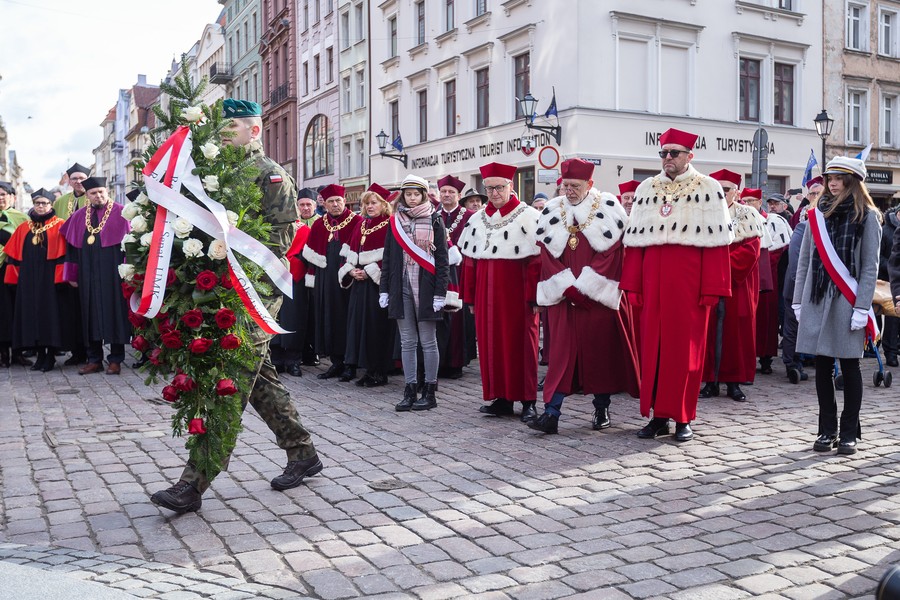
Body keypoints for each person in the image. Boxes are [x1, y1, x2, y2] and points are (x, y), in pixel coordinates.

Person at [151, 99, 322, 514]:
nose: (223, 138)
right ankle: (303, 453)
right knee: (258, 379)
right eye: (220, 132)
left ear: (254, 131)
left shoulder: (272, 175)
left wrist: (230, 244)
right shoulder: (217, 174)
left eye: (231, 131)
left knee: (228, 384)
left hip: (254, 293)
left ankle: (193, 484)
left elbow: (284, 239)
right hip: (224, 290)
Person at [620, 128, 732, 442]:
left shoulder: (709, 188)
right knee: (653, 352)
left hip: (690, 287)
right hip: (652, 285)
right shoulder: (646, 188)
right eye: (664, 153)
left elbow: (717, 245)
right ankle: (658, 416)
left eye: (674, 153)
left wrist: (713, 288)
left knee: (685, 354)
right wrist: (633, 286)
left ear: (689, 156)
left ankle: (683, 417)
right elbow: (635, 245)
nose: (668, 159)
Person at [528, 158, 639, 434]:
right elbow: (547, 254)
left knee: (599, 355)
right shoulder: (552, 210)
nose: (569, 191)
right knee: (561, 356)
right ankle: (551, 413)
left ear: (589, 184)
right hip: (564, 298)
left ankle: (601, 409)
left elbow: (612, 255)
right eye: (565, 185)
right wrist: (566, 287)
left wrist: (587, 287)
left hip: (597, 300)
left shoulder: (610, 209)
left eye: (575, 186)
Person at [793, 156, 881, 456]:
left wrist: (862, 307)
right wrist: (797, 300)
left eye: (839, 177)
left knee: (850, 366)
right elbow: (804, 261)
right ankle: (826, 429)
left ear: (852, 182)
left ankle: (848, 432)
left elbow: (870, 266)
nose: (832, 181)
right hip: (818, 296)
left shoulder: (867, 216)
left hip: (848, 299)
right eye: (830, 176)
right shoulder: (817, 214)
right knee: (821, 366)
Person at [459, 162, 541, 422]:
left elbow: (537, 262)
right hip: (486, 294)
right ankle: (502, 398)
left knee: (522, 345)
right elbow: (470, 261)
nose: (494, 193)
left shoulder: (528, 216)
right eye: (490, 188)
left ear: (511, 186)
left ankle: (528, 400)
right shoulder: (477, 219)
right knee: (491, 345)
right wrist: (470, 298)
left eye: (499, 188)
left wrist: (534, 297)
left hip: (517, 295)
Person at [380, 175, 449, 411]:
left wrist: (441, 292)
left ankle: (429, 391)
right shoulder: (394, 221)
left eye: (416, 194)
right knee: (407, 342)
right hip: (402, 287)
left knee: (428, 342)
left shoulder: (435, 220)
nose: (411, 198)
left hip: (427, 288)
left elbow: (442, 260)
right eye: (408, 194)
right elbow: (388, 258)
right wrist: (384, 289)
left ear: (423, 195)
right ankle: (409, 389)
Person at [698, 175, 764, 402]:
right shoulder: (702, 214)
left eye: (727, 189)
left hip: (738, 286)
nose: (722, 192)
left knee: (736, 333)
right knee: (708, 332)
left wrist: (720, 267)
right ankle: (711, 381)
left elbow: (751, 251)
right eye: (719, 188)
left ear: (736, 192)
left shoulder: (748, 215)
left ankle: (734, 382)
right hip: (709, 282)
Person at [59, 177, 131, 375]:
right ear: (87, 196)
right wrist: (71, 275)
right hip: (87, 273)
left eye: (101, 192)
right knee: (89, 315)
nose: (98, 196)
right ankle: (94, 359)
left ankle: (115, 359)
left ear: (107, 191)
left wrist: (127, 271)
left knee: (114, 313)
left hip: (113, 274)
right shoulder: (78, 216)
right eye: (93, 193)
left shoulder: (122, 212)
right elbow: (71, 248)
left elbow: (130, 247)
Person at [4, 189, 68, 372]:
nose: (41, 206)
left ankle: (50, 356)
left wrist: (61, 280)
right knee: (33, 316)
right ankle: (40, 354)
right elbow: (14, 258)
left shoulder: (60, 225)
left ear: (51, 205)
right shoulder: (24, 227)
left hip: (50, 281)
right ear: (33, 205)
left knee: (50, 316)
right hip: (29, 279)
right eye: (38, 203)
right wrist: (13, 281)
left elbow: (64, 255)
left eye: (44, 203)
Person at [303, 183, 362, 381]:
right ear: (324, 204)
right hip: (325, 280)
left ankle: (350, 364)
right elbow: (311, 255)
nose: (335, 204)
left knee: (347, 319)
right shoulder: (320, 224)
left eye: (338, 201)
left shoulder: (357, 221)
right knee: (328, 319)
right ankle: (336, 363)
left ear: (344, 201)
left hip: (347, 280)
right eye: (331, 202)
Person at [341, 183, 395, 388]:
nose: (370, 206)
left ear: (383, 204)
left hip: (377, 285)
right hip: (359, 285)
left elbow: (392, 257)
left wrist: (371, 270)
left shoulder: (390, 224)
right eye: (367, 203)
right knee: (359, 326)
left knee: (376, 327)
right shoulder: (361, 224)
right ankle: (366, 368)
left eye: (374, 203)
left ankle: (378, 371)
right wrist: (351, 270)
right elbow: (350, 253)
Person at [271, 189, 320, 376]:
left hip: (296, 279)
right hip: (275, 276)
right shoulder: (274, 228)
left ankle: (293, 360)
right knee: (276, 316)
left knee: (295, 319)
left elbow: (310, 254)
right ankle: (276, 358)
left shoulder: (306, 230)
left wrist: (295, 263)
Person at [54, 163, 92, 367]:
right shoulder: (60, 201)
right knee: (70, 305)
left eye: (82, 178)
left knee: (88, 304)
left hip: (89, 255)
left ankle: (91, 350)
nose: (78, 182)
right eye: (74, 178)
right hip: (67, 256)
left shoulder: (95, 196)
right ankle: (76, 351)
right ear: (68, 180)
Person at [436, 174, 471, 378]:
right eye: (444, 192)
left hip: (461, 272)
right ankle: (439, 361)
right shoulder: (433, 215)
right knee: (439, 317)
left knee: (458, 320)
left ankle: (456, 362)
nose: (447, 195)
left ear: (459, 195)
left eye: (451, 192)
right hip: (439, 274)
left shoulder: (470, 216)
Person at [0, 181, 31, 368]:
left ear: (12, 196)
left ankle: (18, 353)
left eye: (3, 194)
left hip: (15, 268)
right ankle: (3, 353)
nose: (1, 198)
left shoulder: (21, 218)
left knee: (16, 309)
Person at [880, 204, 900, 367]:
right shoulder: (885, 230)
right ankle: (890, 352)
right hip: (888, 281)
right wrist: (892, 268)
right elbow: (877, 257)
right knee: (893, 319)